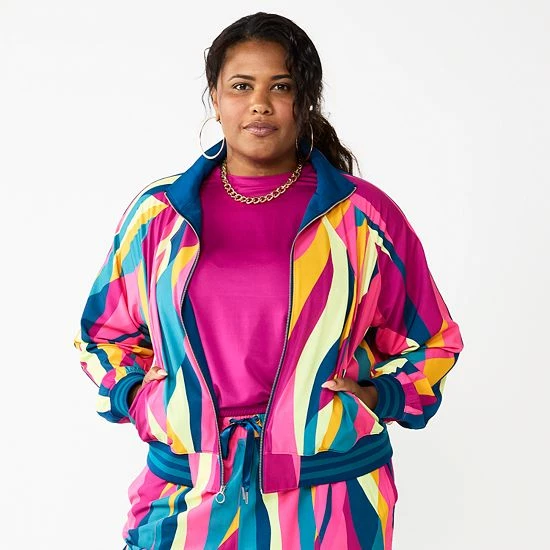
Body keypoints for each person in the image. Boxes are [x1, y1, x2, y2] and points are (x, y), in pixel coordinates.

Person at [74, 11, 464, 550]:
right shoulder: (160, 215)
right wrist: (140, 396)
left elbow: (432, 339)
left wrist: (381, 395)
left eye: (280, 86)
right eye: (241, 86)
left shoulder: (360, 217)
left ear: (305, 101)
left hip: (330, 497)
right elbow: (102, 334)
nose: (259, 103)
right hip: (188, 492)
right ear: (215, 98)